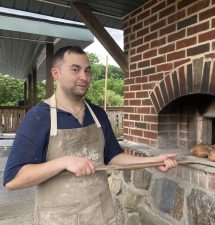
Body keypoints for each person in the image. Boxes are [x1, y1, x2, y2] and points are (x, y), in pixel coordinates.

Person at [3, 45, 177, 225]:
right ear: (56, 74)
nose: (84, 77)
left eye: (87, 71)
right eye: (75, 70)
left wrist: (154, 161)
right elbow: (14, 179)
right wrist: (65, 161)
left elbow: (113, 157)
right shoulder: (39, 117)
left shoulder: (98, 115)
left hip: (101, 214)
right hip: (58, 219)